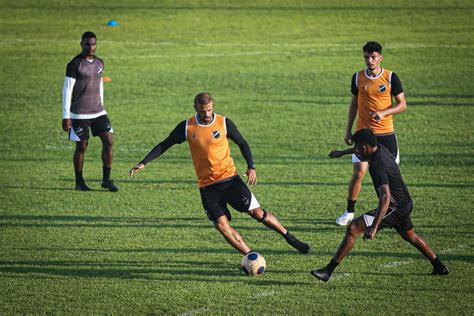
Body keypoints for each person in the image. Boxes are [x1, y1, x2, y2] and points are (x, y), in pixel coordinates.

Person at [129, 92, 310, 256]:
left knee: (257, 213)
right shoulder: (187, 127)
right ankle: (251, 256)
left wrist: (251, 166)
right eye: (202, 111)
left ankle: (289, 237)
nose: (207, 114)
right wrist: (143, 162)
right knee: (221, 226)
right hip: (207, 188)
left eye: (209, 110)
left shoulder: (224, 123)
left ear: (213, 106)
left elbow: (242, 143)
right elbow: (165, 144)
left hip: (230, 180)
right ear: (195, 108)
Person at [311, 128, 449, 282]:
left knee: (353, 229)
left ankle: (327, 271)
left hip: (394, 207)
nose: (357, 151)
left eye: (358, 148)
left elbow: (385, 197)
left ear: (364, 148)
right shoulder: (380, 148)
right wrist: (342, 153)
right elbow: (360, 147)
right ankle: (439, 267)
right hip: (404, 202)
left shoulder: (378, 165)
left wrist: (374, 227)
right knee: (411, 236)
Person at [336, 41, 406, 226]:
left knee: (393, 175)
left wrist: (384, 112)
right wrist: (348, 130)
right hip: (363, 134)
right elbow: (354, 105)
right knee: (359, 172)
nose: (369, 60)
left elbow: (402, 105)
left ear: (380, 57)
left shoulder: (391, 77)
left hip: (385, 134)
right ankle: (349, 212)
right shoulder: (357, 77)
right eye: (366, 57)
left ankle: (394, 211)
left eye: (373, 57)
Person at [62, 31, 118, 192]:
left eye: (93, 44)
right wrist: (66, 116)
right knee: (81, 147)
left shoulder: (100, 63)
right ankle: (79, 182)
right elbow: (67, 90)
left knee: (109, 141)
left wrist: (102, 104)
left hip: (98, 112)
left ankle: (106, 180)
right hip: (79, 114)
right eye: (87, 44)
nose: (91, 47)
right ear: (81, 44)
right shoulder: (75, 64)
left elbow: (100, 85)